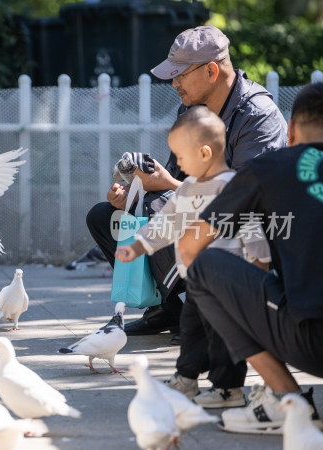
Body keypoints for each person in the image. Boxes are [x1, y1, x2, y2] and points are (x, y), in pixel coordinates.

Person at [85, 25, 287, 341]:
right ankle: (168, 310)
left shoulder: (258, 115)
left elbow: (245, 199)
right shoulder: (191, 108)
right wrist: (135, 196)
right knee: (106, 217)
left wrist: (166, 186)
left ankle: (211, 315)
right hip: (201, 215)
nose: (174, 83)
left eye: (180, 75)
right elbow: (176, 178)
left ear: (210, 71)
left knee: (168, 212)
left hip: (253, 229)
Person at [178, 81, 323, 434]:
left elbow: (190, 246)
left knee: (203, 268)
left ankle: (285, 400)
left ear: (290, 130)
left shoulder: (271, 167)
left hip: (315, 343)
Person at [115, 106, 270, 408]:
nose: (179, 164)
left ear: (204, 152)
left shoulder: (234, 189)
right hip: (198, 282)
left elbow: (253, 232)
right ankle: (186, 378)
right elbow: (165, 223)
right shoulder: (187, 189)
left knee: (225, 337)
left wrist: (259, 269)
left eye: (181, 157)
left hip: (230, 283)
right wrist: (138, 246)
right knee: (191, 331)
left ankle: (228, 389)